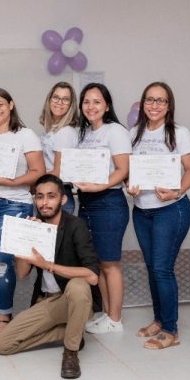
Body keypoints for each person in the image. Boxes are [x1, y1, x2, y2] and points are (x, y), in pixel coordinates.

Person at [0, 175, 99, 379]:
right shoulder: (36, 225)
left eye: (51, 196)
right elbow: (22, 274)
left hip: (73, 299)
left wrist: (48, 265)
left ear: (63, 199)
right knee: (2, 344)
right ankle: (72, 332)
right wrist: (24, 243)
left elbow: (93, 276)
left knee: (78, 286)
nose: (44, 202)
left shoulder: (75, 225)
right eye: (39, 197)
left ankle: (71, 351)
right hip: (47, 301)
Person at [127, 82, 190, 349]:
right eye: (150, 100)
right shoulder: (133, 133)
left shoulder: (179, 133)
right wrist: (129, 186)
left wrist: (176, 191)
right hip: (142, 210)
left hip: (171, 209)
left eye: (161, 100)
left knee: (162, 269)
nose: (154, 105)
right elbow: (128, 171)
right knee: (152, 268)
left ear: (169, 105)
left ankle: (170, 330)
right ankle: (158, 319)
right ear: (143, 103)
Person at [0, 88, 45, 333]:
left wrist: (11, 182)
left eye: (0, 104)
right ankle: (2, 311)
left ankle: (4, 315)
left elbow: (38, 171)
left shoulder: (26, 135)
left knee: (2, 260)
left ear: (11, 105)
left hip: (14, 203)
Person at [75, 83, 131, 335]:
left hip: (108, 202)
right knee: (99, 262)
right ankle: (108, 314)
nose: (91, 106)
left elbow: (123, 169)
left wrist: (99, 185)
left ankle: (115, 320)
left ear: (107, 106)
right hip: (87, 202)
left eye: (97, 101)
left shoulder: (115, 131)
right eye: (86, 101)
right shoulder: (85, 133)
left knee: (110, 263)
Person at [39, 81, 80, 214]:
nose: (59, 102)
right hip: (49, 191)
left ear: (71, 105)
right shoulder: (52, 130)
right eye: (56, 97)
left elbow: (57, 171)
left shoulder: (65, 132)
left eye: (65, 99)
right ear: (49, 100)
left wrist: (31, 181)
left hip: (58, 192)